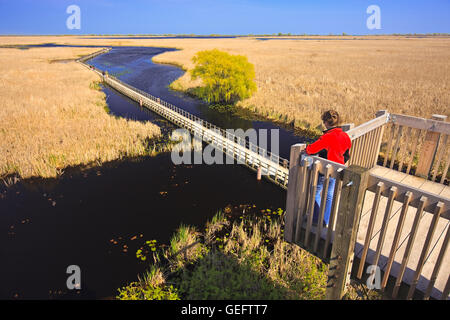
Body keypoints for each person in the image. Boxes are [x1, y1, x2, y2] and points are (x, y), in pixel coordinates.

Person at [304, 110, 351, 227]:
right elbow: (347, 155)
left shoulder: (328, 136)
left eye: (323, 121)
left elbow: (311, 150)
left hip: (324, 170)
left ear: (326, 122)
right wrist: (339, 163)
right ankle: (326, 221)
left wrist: (306, 148)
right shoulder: (345, 136)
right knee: (329, 194)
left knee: (314, 192)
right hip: (337, 171)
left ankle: (316, 219)